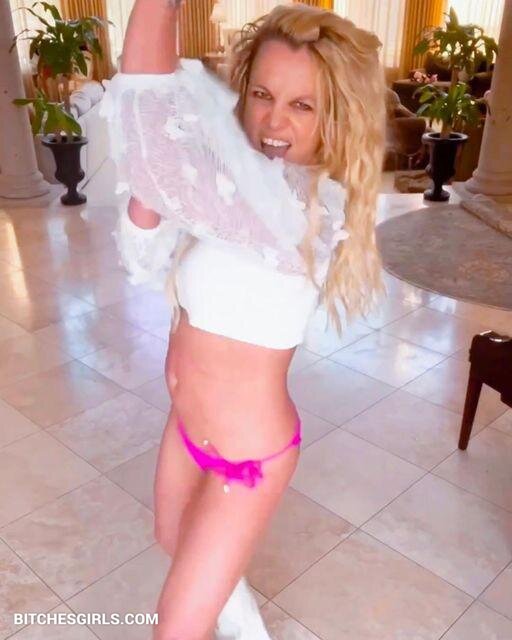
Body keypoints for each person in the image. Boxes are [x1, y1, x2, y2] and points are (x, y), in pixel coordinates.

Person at [100, 1, 386, 638]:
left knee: (176, 626)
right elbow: (144, 252)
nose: (273, 122)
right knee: (172, 538)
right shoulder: (238, 181)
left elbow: (153, 131)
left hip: (248, 458)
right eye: (262, 94)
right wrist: (150, 203)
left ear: (337, 116)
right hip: (186, 425)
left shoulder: (311, 206)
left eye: (302, 105)